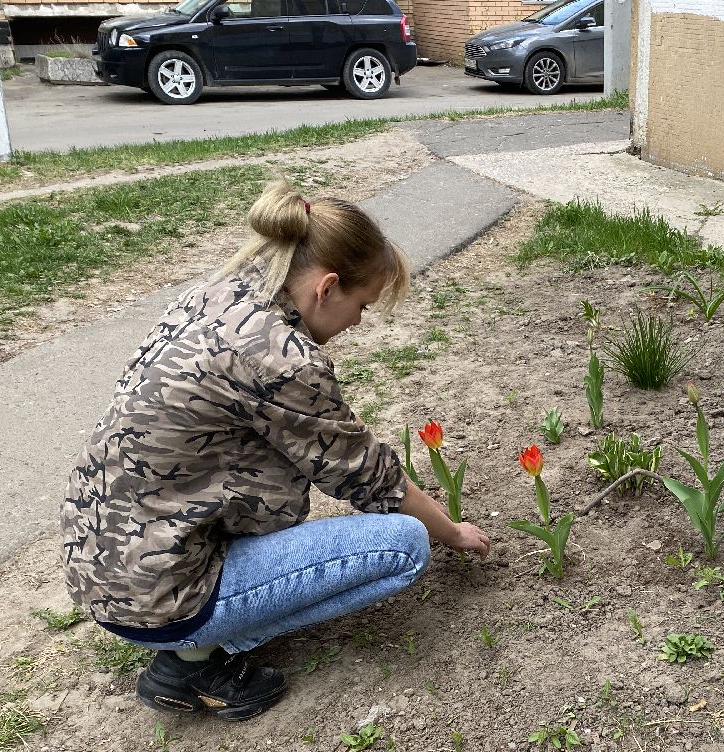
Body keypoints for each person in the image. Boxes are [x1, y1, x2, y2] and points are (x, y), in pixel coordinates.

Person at [60, 179, 490, 721]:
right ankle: (194, 663)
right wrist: (451, 532)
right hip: (158, 595)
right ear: (327, 288)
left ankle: (197, 639)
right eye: (362, 305)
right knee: (404, 546)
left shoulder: (218, 293)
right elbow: (369, 478)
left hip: (101, 560)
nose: (358, 321)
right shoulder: (280, 357)